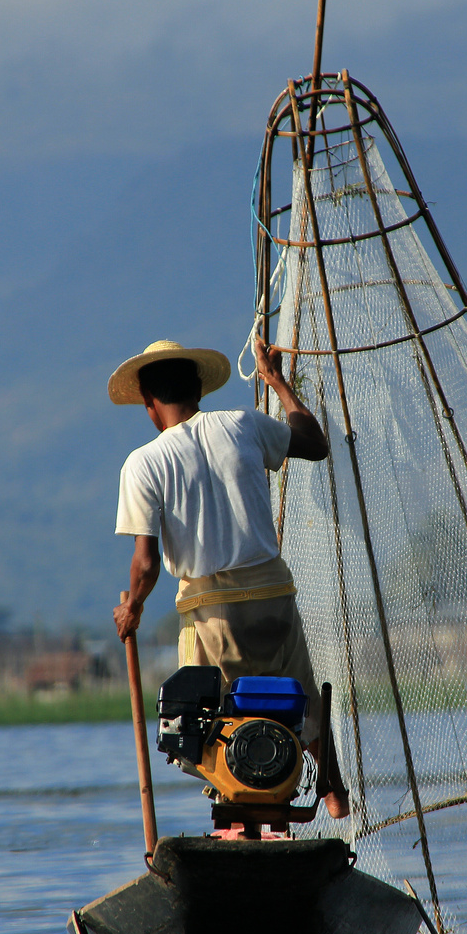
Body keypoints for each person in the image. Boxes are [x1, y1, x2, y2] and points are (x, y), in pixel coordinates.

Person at [109, 335, 347, 818]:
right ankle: (334, 794)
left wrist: (131, 607)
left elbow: (146, 563)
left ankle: (242, 811)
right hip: (275, 596)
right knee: (302, 701)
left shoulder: (144, 462)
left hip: (214, 611)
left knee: (215, 721)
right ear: (199, 393)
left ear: (151, 407)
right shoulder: (242, 424)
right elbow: (316, 444)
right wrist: (278, 383)